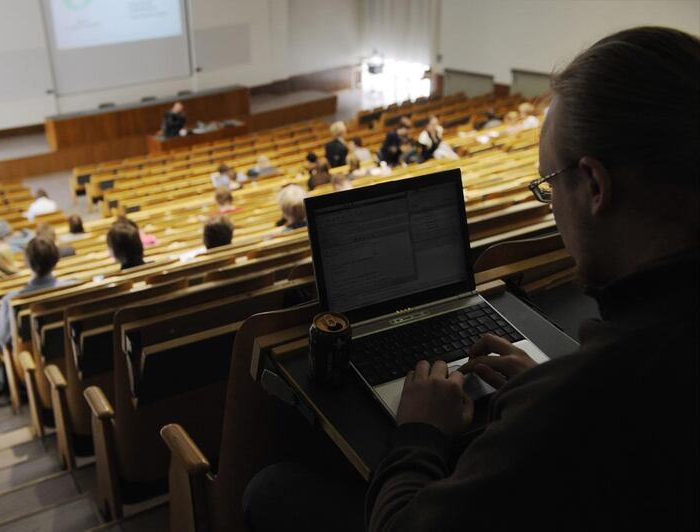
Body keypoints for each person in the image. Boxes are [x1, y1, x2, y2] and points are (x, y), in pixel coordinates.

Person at [245, 26, 700, 532]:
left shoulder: (580, 404)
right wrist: (539, 386)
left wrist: (419, 434)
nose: (550, 210)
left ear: (594, 186)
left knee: (272, 490)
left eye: (548, 188)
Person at [0, 236, 71, 408]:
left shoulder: (12, 301)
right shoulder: (73, 287)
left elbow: (2, 339)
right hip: (74, 360)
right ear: (57, 259)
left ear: (27, 262)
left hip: (33, 368)